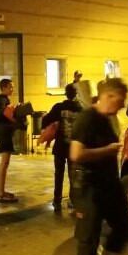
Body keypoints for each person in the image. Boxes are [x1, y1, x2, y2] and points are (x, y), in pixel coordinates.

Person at [69, 77, 128, 255]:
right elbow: (76, 154)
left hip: (108, 184)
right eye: (120, 100)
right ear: (109, 96)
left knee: (122, 227)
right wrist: (107, 150)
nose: (123, 105)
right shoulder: (87, 119)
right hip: (88, 187)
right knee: (89, 237)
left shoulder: (108, 119)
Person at [41, 83, 83, 213]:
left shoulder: (58, 107)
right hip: (73, 148)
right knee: (73, 175)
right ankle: (73, 201)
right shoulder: (81, 109)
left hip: (60, 147)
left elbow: (45, 121)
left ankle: (57, 200)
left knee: (58, 174)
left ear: (65, 93)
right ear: (76, 94)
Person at [0, 78, 18, 203]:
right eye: (10, 87)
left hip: (2, 131)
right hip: (2, 132)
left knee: (5, 162)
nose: (12, 89)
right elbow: (5, 114)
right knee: (4, 162)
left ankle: (1, 191)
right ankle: (0, 193)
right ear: (4, 88)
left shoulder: (3, 99)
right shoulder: (2, 99)